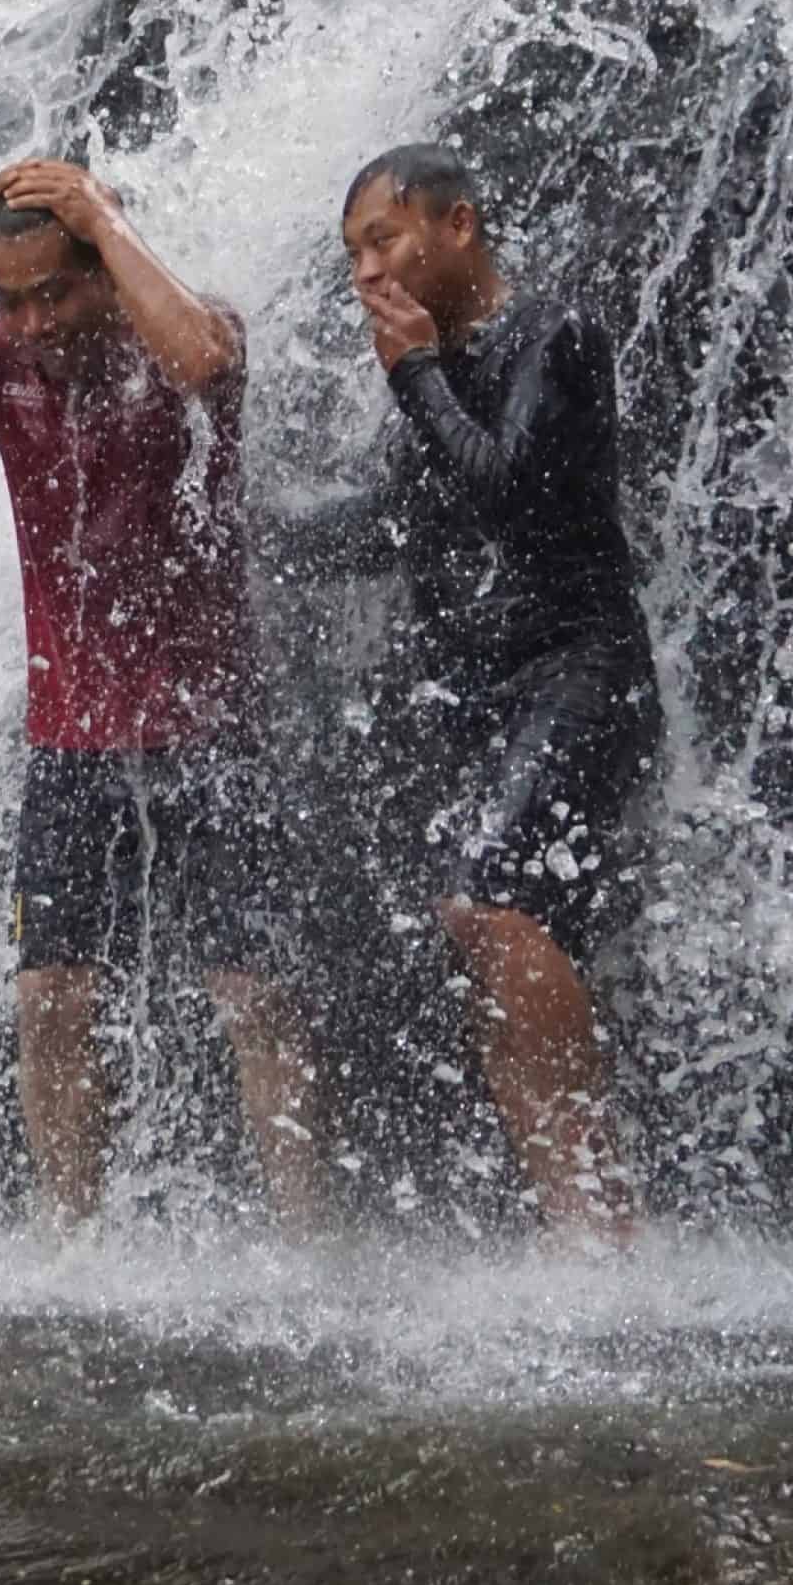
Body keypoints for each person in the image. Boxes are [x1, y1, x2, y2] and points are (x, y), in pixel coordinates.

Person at [0, 160, 321, 1228]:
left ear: (104, 267)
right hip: (71, 739)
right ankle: (72, 1235)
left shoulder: (179, 336)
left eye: (57, 289)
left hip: (207, 726)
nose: (35, 319)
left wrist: (100, 213)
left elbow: (203, 354)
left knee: (253, 995)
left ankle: (308, 1234)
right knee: (52, 998)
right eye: (11, 298)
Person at [288, 145, 660, 1239]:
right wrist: (243, 541)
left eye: (383, 240)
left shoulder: (554, 332)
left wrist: (411, 376)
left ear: (457, 226)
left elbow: (509, 487)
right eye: (352, 251)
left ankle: (602, 1216)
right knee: (490, 939)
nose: (365, 271)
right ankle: (579, 1228)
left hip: (582, 665)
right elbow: (396, 526)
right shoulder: (446, 361)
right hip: (495, 684)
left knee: (484, 901)